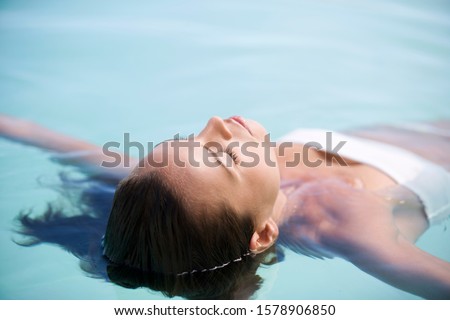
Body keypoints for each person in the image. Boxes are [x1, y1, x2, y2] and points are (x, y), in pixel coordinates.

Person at [1, 113, 450, 299]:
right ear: (264, 235)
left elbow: (57, 143)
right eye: (225, 154)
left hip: (396, 132)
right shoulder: (346, 228)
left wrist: (17, 127)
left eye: (190, 142)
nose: (216, 124)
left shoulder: (170, 185)